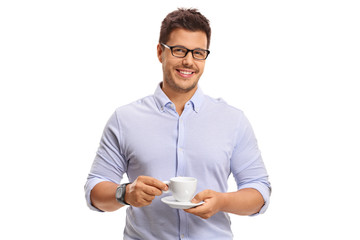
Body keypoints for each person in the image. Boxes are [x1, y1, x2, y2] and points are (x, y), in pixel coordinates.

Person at [85, 8, 271, 239]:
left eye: (198, 53)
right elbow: (95, 190)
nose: (189, 61)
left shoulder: (233, 120)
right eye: (179, 50)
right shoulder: (125, 119)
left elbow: (259, 191)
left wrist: (222, 201)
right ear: (160, 52)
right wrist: (125, 193)